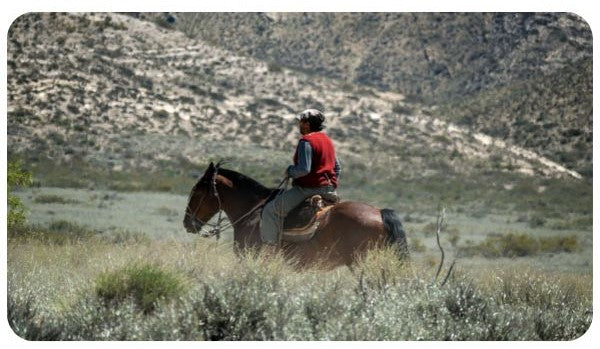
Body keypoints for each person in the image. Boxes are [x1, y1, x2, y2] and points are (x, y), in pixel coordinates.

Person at [260, 109, 341, 245]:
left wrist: (290, 171)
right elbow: (337, 167)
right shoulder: (327, 141)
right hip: (329, 190)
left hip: (307, 190)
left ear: (307, 124)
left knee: (270, 210)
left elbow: (304, 169)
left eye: (301, 122)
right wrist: (330, 183)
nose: (299, 125)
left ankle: (270, 249)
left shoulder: (306, 141)